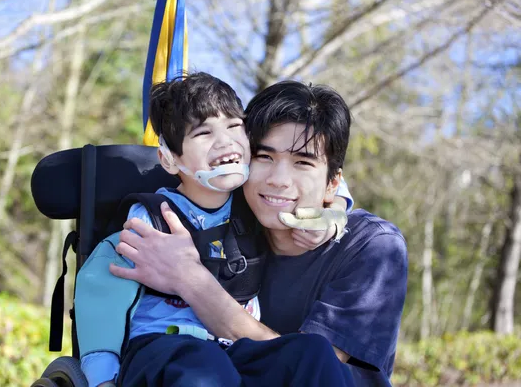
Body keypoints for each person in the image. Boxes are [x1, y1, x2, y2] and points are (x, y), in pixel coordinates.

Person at [112, 81, 408, 386]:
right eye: (264, 157)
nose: (278, 180)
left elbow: (311, 370)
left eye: (302, 163)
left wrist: (189, 278)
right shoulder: (229, 213)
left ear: (332, 183)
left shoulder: (374, 248)